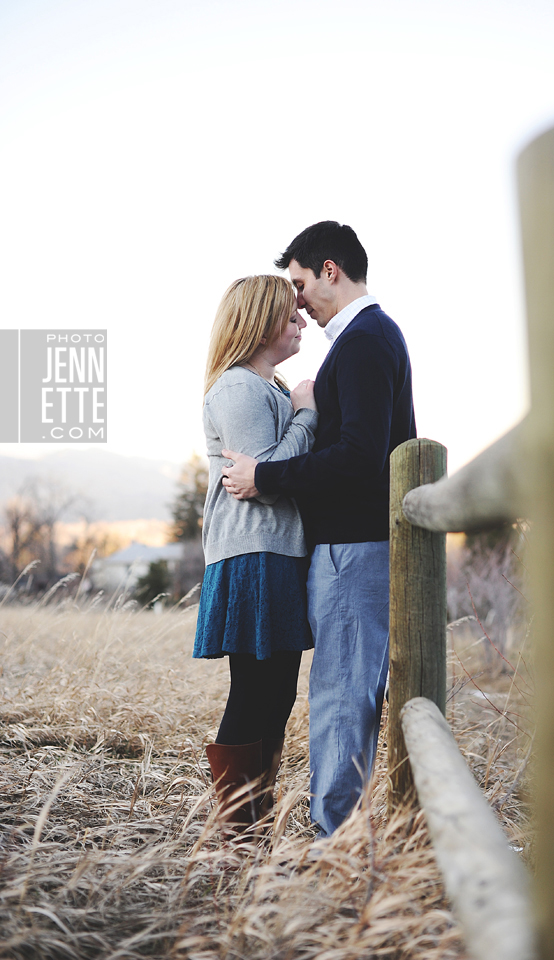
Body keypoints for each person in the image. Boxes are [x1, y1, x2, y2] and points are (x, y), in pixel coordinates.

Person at [221, 222, 416, 836]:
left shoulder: (362, 342)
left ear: (330, 270)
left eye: (301, 282)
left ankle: (332, 843)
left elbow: (360, 456)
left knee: (339, 698)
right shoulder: (366, 339)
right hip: (353, 544)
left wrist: (268, 477)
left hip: (355, 547)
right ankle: (333, 833)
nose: (297, 298)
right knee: (342, 694)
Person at [194, 274, 318, 831]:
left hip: (276, 550)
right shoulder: (238, 387)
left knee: (277, 694)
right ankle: (236, 834)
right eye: (289, 315)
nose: (301, 322)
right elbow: (266, 473)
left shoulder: (267, 387)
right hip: (252, 552)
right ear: (262, 321)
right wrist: (307, 413)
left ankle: (253, 825)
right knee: (255, 691)